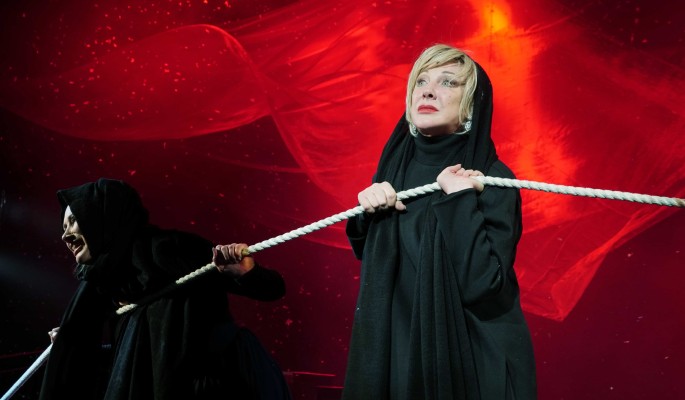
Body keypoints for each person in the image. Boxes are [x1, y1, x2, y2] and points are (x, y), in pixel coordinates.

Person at [342, 44, 537, 399]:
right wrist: (365, 212)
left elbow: (481, 284)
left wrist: (459, 200)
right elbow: (372, 256)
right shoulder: (394, 167)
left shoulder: (491, 177)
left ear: (472, 105)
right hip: (398, 356)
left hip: (472, 363)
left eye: (448, 82)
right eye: (421, 81)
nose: (428, 91)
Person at [39, 178, 292, 400]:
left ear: (101, 216)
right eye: (63, 227)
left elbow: (273, 288)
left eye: (73, 221)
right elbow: (137, 359)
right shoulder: (108, 287)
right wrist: (74, 343)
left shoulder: (164, 249)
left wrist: (246, 273)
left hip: (217, 381)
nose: (65, 236)